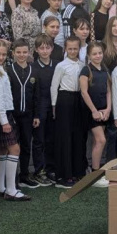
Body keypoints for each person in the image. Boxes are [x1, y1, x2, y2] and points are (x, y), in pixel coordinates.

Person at [0, 39, 30, 201]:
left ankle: (0, 186)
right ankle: (11, 190)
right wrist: (4, 121)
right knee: (15, 149)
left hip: (3, 113)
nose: (0, 57)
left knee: (2, 150)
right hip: (1, 115)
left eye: (3, 54)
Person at [50, 35, 85, 187]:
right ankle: (64, 175)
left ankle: (78, 171)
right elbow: (54, 86)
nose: (72, 51)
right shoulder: (61, 66)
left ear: (79, 49)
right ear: (65, 49)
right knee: (65, 137)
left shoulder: (82, 65)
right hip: (64, 100)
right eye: (69, 49)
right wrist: (54, 106)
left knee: (78, 136)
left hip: (78, 100)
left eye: (75, 49)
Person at [6, 39, 37, 189]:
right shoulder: (8, 70)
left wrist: (36, 115)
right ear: (13, 53)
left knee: (25, 145)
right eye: (18, 52)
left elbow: (37, 95)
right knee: (11, 146)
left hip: (28, 115)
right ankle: (11, 178)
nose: (21, 55)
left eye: (24, 52)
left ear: (29, 52)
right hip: (12, 115)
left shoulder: (33, 71)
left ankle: (24, 175)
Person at [80, 41, 113, 183]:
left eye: (100, 53)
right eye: (94, 54)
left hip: (103, 110)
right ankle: (96, 174)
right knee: (101, 140)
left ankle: (94, 169)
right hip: (91, 112)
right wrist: (94, 111)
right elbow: (84, 92)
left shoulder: (105, 69)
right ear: (89, 55)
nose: (98, 56)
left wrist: (108, 109)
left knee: (96, 142)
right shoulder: (86, 70)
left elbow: (108, 91)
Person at [30, 34, 58, 185]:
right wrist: (36, 113)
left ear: (52, 48)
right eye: (41, 48)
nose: (45, 51)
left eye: (47, 47)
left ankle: (50, 169)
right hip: (39, 108)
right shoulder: (33, 68)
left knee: (51, 139)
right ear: (36, 50)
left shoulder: (57, 66)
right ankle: (39, 170)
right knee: (39, 140)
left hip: (53, 107)